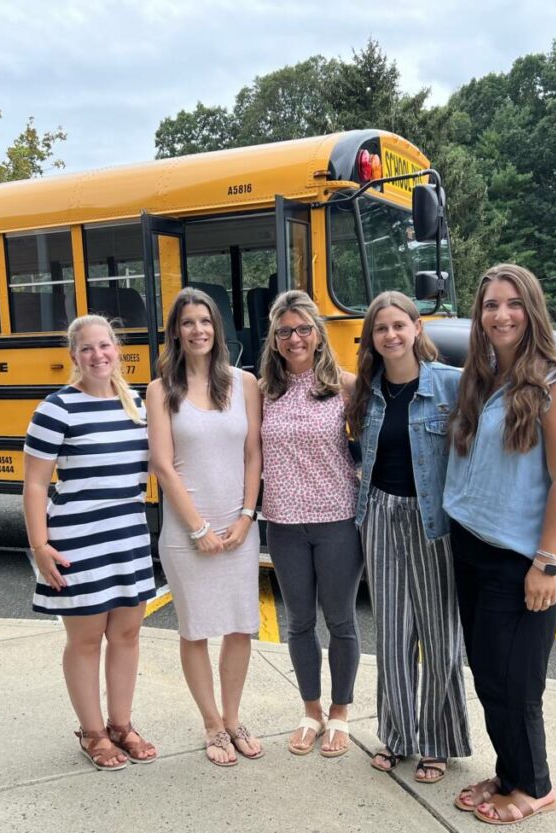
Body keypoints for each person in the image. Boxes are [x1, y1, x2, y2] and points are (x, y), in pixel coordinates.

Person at [444, 264, 556, 825]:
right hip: (474, 547)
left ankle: (534, 786)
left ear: (532, 310)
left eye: (512, 304)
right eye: (490, 305)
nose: (501, 314)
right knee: (488, 672)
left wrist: (546, 564)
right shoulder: (482, 378)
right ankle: (509, 773)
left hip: (526, 558)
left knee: (517, 680)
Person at [344, 291, 471, 784]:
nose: (391, 335)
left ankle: (438, 742)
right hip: (379, 514)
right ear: (372, 339)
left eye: (399, 325)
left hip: (432, 520)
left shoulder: (452, 386)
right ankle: (397, 737)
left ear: (418, 328)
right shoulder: (367, 390)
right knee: (393, 635)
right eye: (381, 329)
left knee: (440, 636)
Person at [23, 314, 158, 771]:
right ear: (73, 356)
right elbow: (35, 485)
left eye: (105, 346)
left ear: (117, 348)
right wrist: (40, 546)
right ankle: (93, 732)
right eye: (87, 349)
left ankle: (122, 724)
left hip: (128, 533)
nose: (98, 355)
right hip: (78, 539)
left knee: (127, 634)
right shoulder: (56, 408)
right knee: (85, 640)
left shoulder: (136, 403)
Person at [145, 286, 264, 767]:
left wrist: (246, 516)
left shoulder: (245, 383)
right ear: (176, 331)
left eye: (206, 322)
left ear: (218, 328)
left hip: (239, 526)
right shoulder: (160, 390)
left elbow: (254, 452)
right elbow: (163, 464)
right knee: (194, 630)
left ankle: (233, 719)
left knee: (240, 627)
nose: (198, 330)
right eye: (188, 322)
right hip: (186, 532)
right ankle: (212, 725)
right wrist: (198, 528)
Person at [258, 290, 363, 758]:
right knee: (299, 622)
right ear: (275, 340)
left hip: (337, 519)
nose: (295, 338)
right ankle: (311, 710)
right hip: (282, 522)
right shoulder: (262, 392)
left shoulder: (345, 386)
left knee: (340, 620)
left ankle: (340, 713)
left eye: (303, 329)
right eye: (285, 331)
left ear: (318, 335)